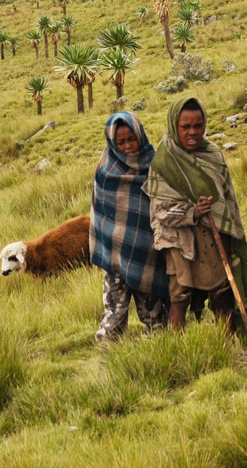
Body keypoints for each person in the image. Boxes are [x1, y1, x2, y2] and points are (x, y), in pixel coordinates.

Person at [146, 97, 247, 340]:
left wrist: (230, 231)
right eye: (185, 127)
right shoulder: (164, 160)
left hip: (213, 234)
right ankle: (177, 350)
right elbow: (160, 210)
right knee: (179, 296)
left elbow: (228, 200)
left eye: (198, 125)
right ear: (174, 125)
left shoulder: (213, 154)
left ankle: (227, 345)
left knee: (223, 293)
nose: (193, 132)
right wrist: (191, 212)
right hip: (179, 240)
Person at [89, 110, 171, 343]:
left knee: (154, 315)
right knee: (113, 313)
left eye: (131, 139)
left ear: (140, 135)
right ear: (112, 142)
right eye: (120, 141)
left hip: (147, 255)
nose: (127, 146)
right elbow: (101, 212)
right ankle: (108, 356)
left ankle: (160, 354)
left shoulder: (155, 164)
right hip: (114, 258)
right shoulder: (106, 169)